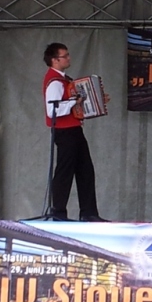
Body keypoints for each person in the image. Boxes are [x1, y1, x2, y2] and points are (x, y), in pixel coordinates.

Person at [43, 42, 109, 222]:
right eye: (65, 56)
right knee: (65, 171)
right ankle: (58, 213)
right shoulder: (54, 82)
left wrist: (96, 102)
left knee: (85, 170)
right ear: (55, 60)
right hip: (64, 131)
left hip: (73, 129)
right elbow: (53, 110)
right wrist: (75, 101)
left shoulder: (64, 80)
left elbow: (70, 105)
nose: (68, 58)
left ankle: (88, 213)